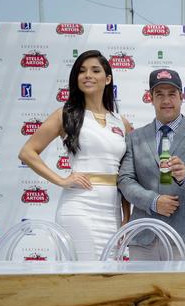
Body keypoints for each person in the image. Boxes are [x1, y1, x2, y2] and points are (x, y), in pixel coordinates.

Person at [18, 50, 133, 260]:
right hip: (79, 207)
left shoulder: (121, 122)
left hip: (112, 211)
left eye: (95, 70)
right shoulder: (66, 114)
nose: (87, 75)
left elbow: (127, 173)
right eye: (82, 71)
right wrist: (61, 180)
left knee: (110, 276)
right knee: (87, 276)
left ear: (107, 79)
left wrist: (126, 215)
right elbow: (27, 152)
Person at [118, 69, 185, 260]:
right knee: (142, 291)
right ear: (150, 98)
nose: (166, 101)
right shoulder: (134, 137)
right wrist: (153, 202)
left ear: (182, 96)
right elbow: (125, 180)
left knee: (184, 291)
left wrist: (184, 176)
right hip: (143, 236)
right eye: (159, 94)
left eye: (172, 94)